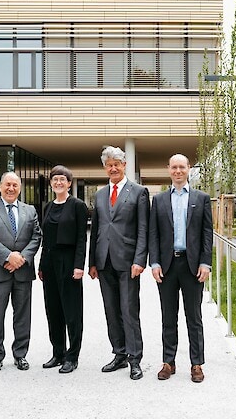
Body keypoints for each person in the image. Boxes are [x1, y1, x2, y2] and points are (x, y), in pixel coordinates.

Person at [148, 154, 213, 383]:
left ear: (188, 169)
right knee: (168, 316)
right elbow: (153, 233)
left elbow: (207, 234)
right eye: (174, 167)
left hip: (192, 265)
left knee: (194, 317)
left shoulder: (201, 198)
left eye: (181, 167)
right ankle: (169, 361)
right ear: (168, 170)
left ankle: (197, 364)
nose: (178, 171)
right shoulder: (159, 200)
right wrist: (154, 262)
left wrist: (206, 262)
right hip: (166, 265)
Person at [88, 146, 149, 380]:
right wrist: (92, 261)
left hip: (128, 261)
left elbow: (143, 229)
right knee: (111, 311)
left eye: (117, 164)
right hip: (104, 261)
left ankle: (135, 358)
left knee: (129, 310)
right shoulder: (100, 194)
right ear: (105, 168)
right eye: (109, 165)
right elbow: (96, 229)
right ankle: (119, 354)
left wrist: (140, 259)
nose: (113, 168)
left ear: (124, 165)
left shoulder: (138, 192)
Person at [0, 172, 42, 373]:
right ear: (0, 187)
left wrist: (21, 258)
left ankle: (20, 355)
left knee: (22, 315)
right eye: (7, 184)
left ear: (20, 188)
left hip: (22, 271)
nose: (11, 188)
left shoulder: (30, 210)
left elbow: (36, 236)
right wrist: (8, 256)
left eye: (15, 185)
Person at [39, 165, 88, 374]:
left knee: (72, 311)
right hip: (50, 262)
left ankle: (72, 356)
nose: (58, 183)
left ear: (69, 183)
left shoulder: (77, 205)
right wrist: (41, 265)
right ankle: (57, 352)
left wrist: (79, 265)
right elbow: (45, 239)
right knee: (53, 309)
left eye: (63, 180)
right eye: (55, 179)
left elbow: (81, 238)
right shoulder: (48, 206)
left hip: (69, 262)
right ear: (51, 183)